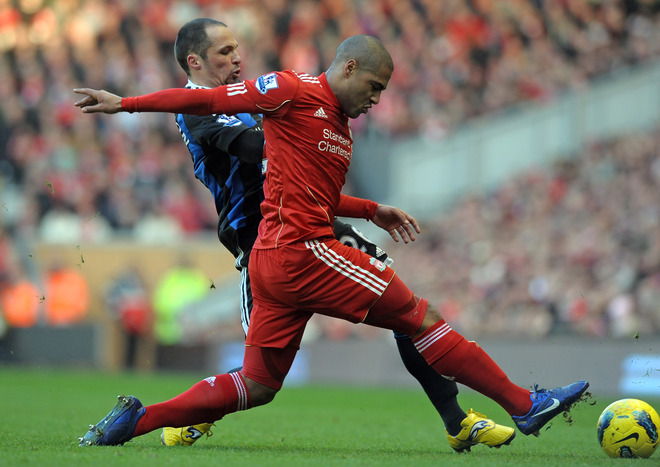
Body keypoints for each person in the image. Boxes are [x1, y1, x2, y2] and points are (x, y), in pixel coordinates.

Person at [74, 34, 588, 449]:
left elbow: (311, 193)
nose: (377, 98)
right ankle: (523, 405)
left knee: (258, 386)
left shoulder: (334, 128)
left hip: (273, 262)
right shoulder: (289, 91)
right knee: (421, 318)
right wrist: (126, 104)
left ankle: (136, 421)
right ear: (346, 69)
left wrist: (371, 210)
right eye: (374, 85)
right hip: (301, 252)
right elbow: (204, 99)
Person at [157, 18, 513, 451]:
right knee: (258, 381)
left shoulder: (253, 97)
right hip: (260, 237)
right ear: (194, 62)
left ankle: (457, 419)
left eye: (237, 49)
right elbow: (257, 149)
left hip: (310, 221)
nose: (237, 58)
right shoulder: (195, 109)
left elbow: (303, 170)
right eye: (225, 52)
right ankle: (192, 414)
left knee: (403, 309)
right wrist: (307, 122)